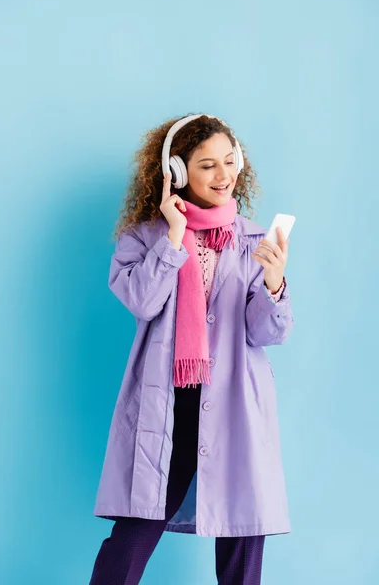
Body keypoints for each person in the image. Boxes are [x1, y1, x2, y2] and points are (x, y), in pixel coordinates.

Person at [88, 113, 295, 585]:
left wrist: (274, 282)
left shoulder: (254, 239)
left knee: (243, 534)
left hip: (235, 404)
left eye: (229, 162)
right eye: (207, 165)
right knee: (135, 532)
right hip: (169, 405)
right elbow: (142, 302)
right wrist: (174, 239)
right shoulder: (142, 239)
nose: (223, 176)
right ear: (177, 174)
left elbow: (266, 333)